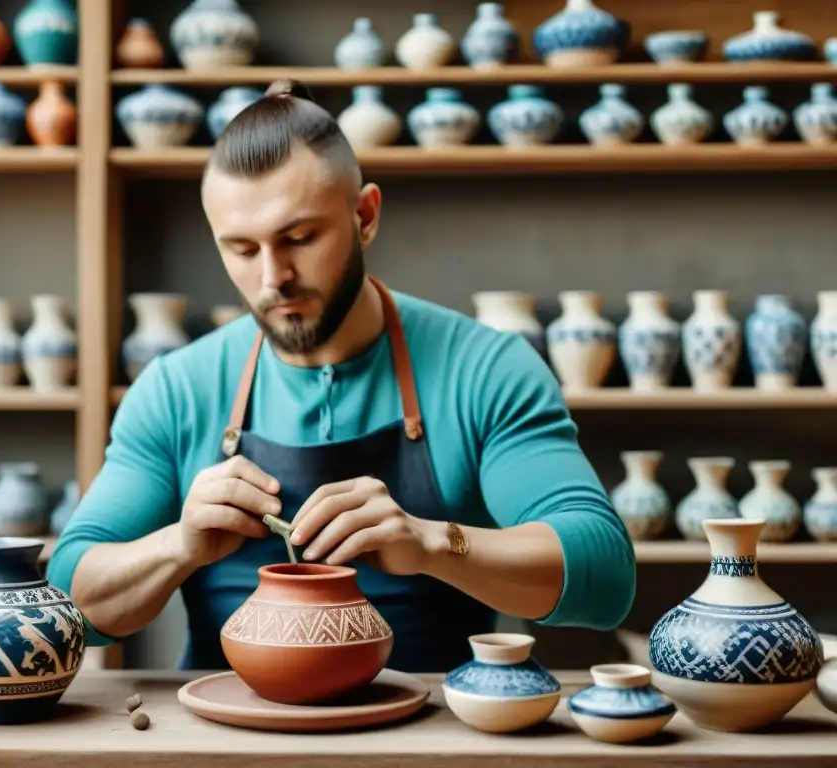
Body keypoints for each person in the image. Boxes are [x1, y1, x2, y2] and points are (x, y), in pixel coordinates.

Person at [47, 79, 636, 673]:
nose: (273, 277)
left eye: (299, 238)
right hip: (226, 741)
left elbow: (605, 576)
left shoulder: (485, 369)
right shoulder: (177, 388)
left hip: (432, 739)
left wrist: (434, 543)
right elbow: (66, 601)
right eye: (242, 250)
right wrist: (176, 546)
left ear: (365, 216)